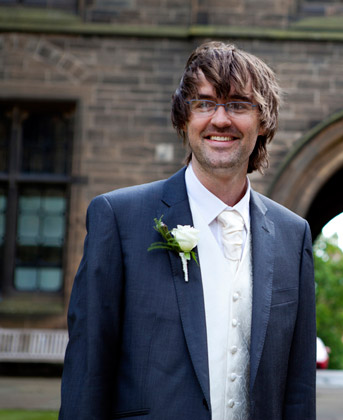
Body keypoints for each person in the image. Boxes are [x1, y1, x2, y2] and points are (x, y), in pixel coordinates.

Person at [60, 41, 316, 420]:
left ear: (263, 122)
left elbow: (297, 390)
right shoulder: (119, 218)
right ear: (184, 118)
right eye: (205, 103)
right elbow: (87, 372)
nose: (221, 119)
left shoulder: (293, 235)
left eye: (239, 105)